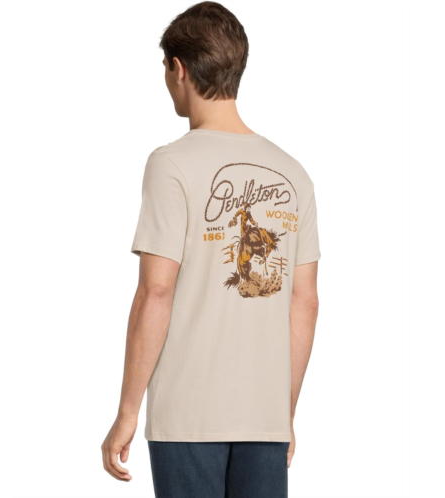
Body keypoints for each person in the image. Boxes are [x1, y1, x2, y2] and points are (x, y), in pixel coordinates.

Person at [101, 2, 320, 497]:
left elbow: (156, 293)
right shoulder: (295, 173)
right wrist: (283, 413)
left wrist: (128, 411)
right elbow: (304, 302)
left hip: (187, 415)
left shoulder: (171, 164)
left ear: (178, 69)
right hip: (265, 418)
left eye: (164, 68)